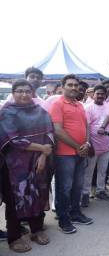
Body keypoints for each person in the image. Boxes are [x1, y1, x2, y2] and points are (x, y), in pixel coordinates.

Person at [0, 80, 53, 252]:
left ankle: (36, 230)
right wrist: (42, 148)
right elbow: (13, 139)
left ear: (33, 93)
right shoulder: (7, 113)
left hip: (39, 162)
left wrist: (44, 155)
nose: (24, 94)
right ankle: (14, 236)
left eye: (27, 91)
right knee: (15, 199)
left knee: (38, 194)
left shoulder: (40, 111)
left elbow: (49, 135)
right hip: (14, 166)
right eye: (20, 91)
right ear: (13, 93)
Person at [49, 74, 93, 234]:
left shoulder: (80, 105)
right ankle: (64, 219)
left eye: (76, 85)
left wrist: (87, 143)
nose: (74, 88)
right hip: (64, 154)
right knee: (64, 187)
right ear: (62, 87)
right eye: (70, 85)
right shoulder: (57, 104)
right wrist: (77, 147)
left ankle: (75, 213)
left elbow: (86, 126)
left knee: (77, 186)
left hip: (81, 153)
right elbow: (58, 130)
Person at [81, 85, 109, 207]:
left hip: (106, 146)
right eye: (98, 93)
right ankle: (85, 194)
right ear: (93, 94)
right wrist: (89, 144)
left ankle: (100, 191)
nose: (100, 96)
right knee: (88, 172)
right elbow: (86, 127)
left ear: (105, 95)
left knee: (102, 171)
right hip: (92, 146)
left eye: (102, 94)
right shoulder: (87, 108)